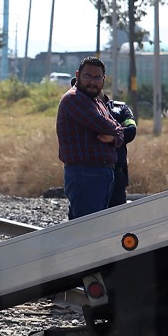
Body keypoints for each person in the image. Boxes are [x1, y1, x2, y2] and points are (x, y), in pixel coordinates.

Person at [56, 56, 124, 219]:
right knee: (88, 231)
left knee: (92, 229)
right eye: (87, 76)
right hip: (85, 174)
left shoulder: (96, 101)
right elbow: (106, 126)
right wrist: (116, 133)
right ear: (78, 75)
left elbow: (121, 131)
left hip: (100, 173)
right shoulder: (75, 98)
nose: (92, 82)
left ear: (103, 79)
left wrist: (115, 138)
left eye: (97, 78)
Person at [104, 95, 137, 208]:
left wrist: (112, 137)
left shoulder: (120, 108)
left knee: (117, 216)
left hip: (117, 172)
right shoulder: (82, 107)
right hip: (91, 172)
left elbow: (131, 130)